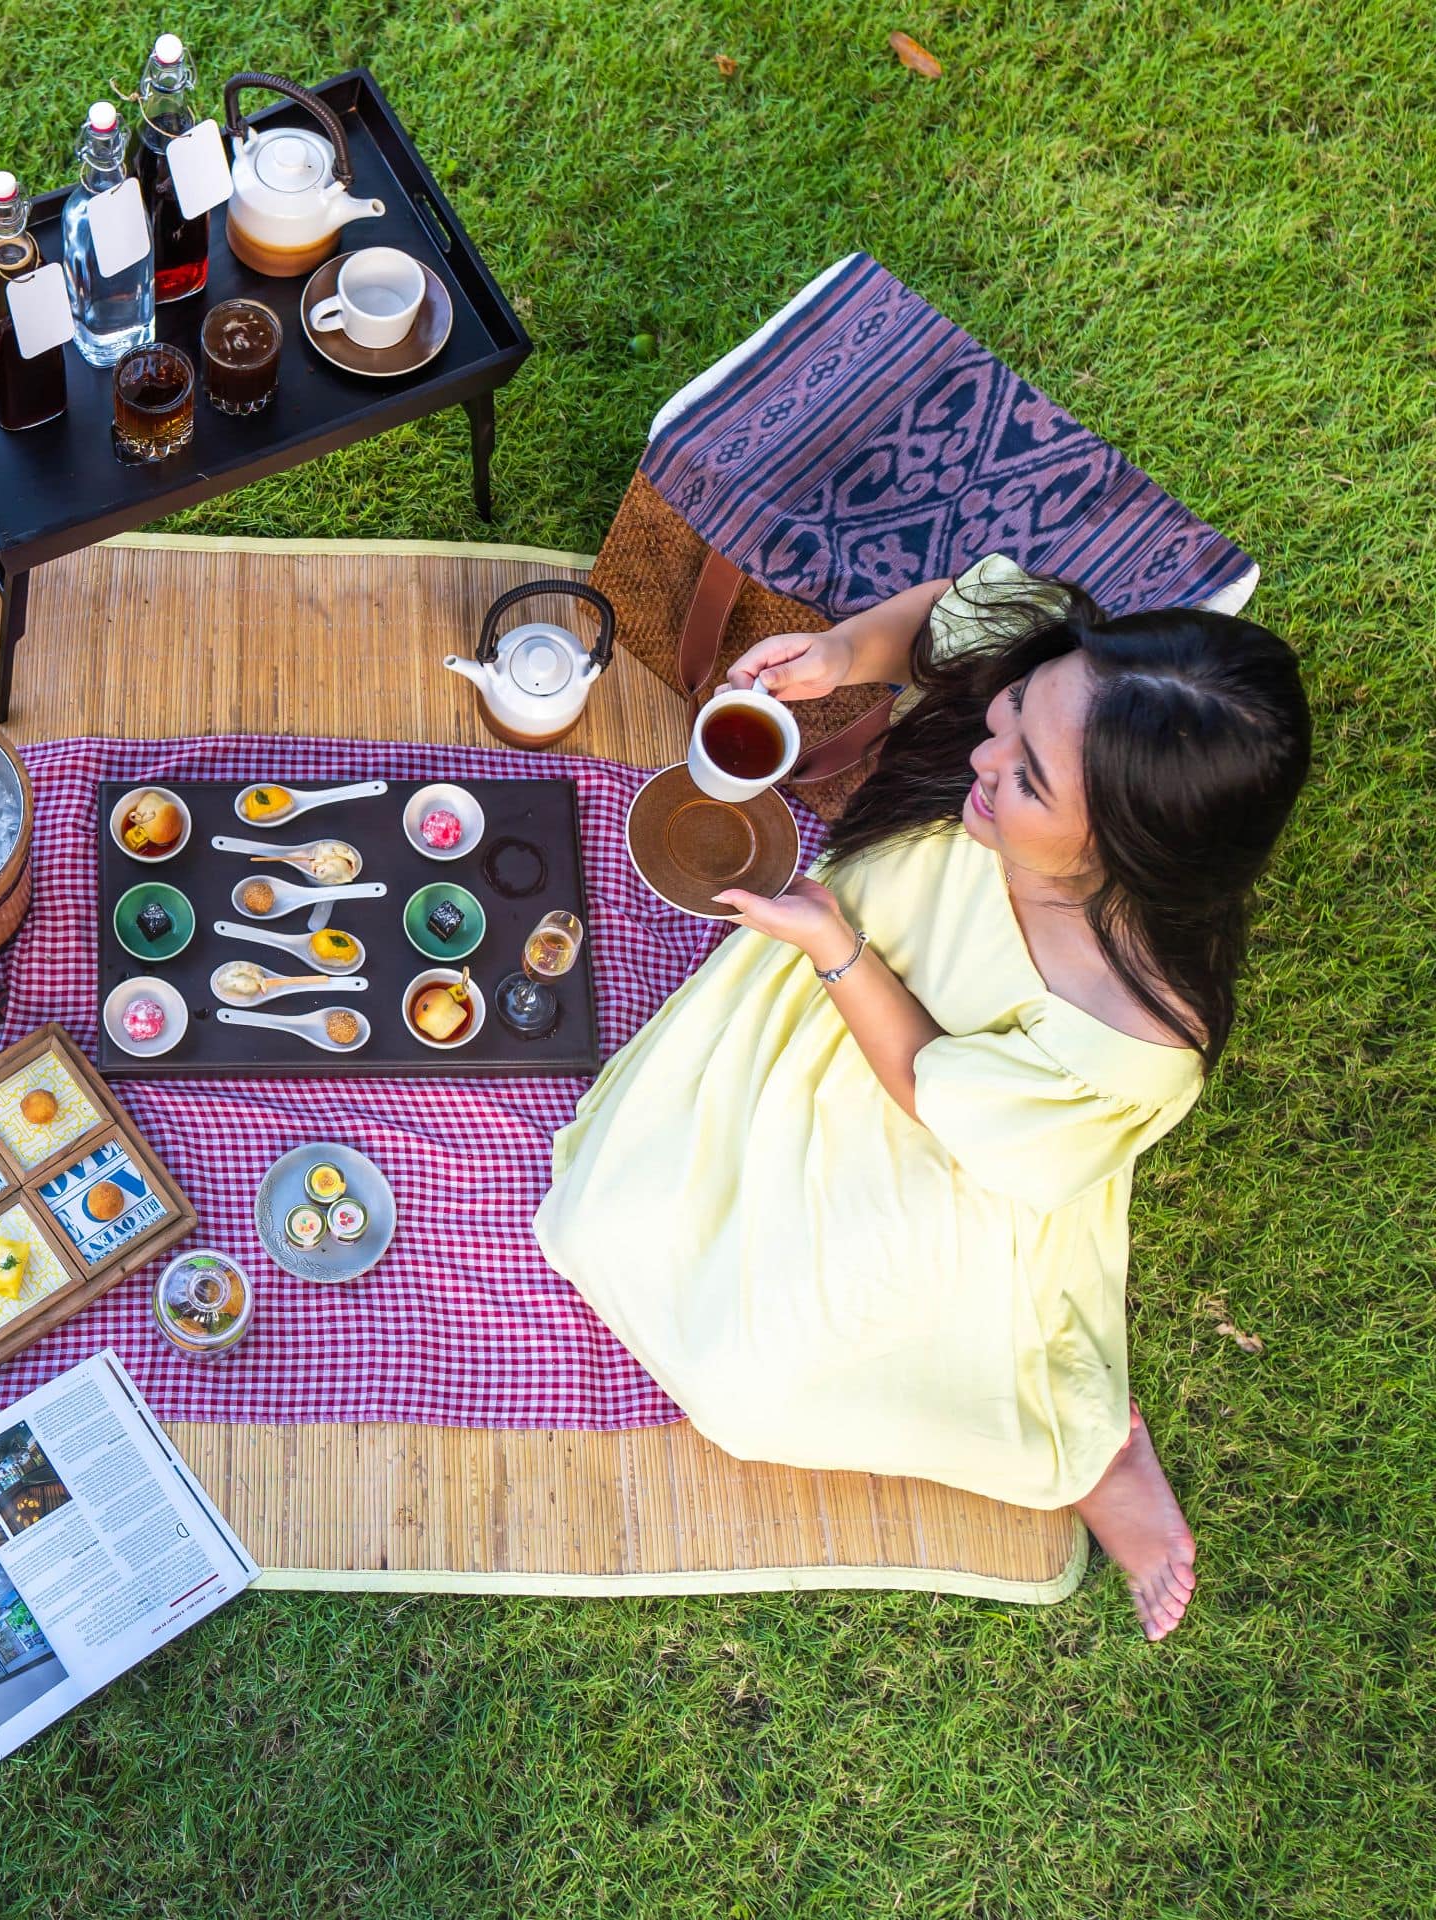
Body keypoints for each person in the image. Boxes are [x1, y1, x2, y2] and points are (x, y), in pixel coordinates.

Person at [535, 556, 1309, 1641]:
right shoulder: (1067, 683)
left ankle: (1093, 1451)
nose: (985, 753)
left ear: (1127, 846)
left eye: (1028, 778)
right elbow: (953, 625)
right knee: (594, 1221)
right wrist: (840, 655)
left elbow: (922, 1085)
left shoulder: (1135, 1032)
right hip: (816, 1001)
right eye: (1015, 708)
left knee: (746, 1391)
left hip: (944, 1131)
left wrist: (833, 945)